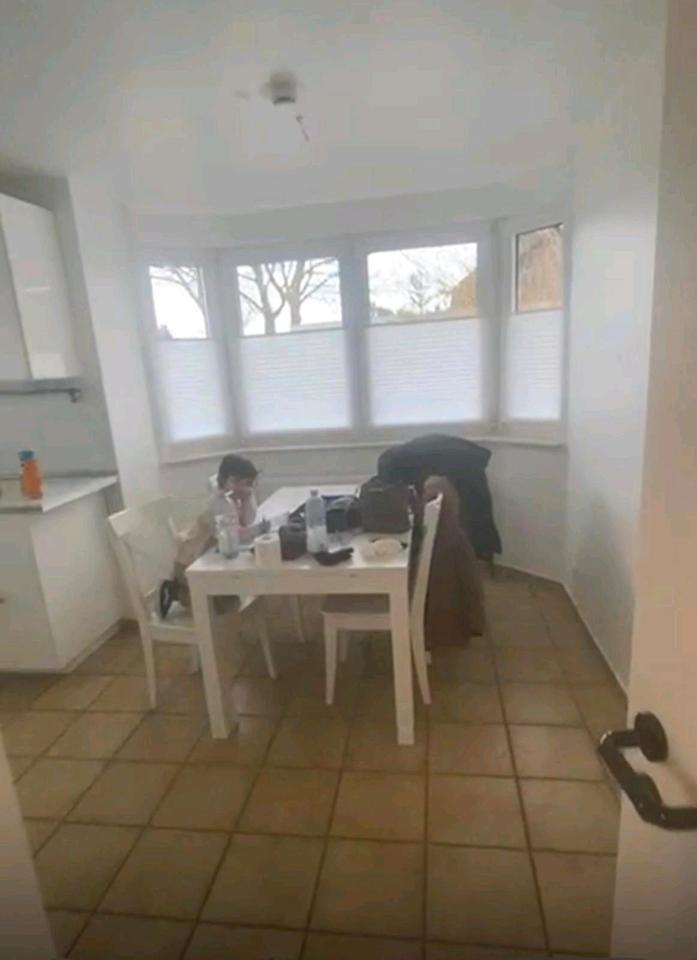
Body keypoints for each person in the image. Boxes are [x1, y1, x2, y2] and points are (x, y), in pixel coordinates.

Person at [159, 454, 269, 615]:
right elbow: (235, 534)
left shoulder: (234, 498)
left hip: (213, 557)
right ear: (231, 481)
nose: (250, 488)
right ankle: (177, 590)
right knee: (226, 606)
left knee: (231, 599)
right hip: (191, 562)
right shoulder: (219, 502)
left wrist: (247, 499)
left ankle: (187, 592)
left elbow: (248, 521)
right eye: (247, 483)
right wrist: (259, 529)